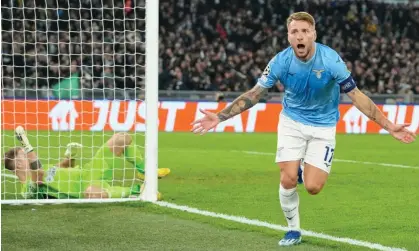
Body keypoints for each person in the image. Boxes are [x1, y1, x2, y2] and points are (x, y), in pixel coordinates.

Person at [191, 12, 416, 246]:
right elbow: (255, 94)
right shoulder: (280, 61)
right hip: (292, 122)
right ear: (288, 36)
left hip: (324, 126)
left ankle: (301, 170)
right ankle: (293, 230)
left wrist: (390, 126)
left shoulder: (331, 60)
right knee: (287, 179)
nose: (300, 36)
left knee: (313, 187)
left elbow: (357, 97)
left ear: (313, 35)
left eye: (305, 31)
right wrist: (220, 116)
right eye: (294, 32)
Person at [3, 126, 170, 200]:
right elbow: (38, 176)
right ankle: (138, 191)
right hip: (85, 189)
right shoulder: (26, 191)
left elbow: (62, 167)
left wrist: (69, 156)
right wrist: (26, 144)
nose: (27, 155)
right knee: (92, 193)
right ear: (17, 165)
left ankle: (146, 171)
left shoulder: (46, 169)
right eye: (23, 155)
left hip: (90, 171)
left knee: (121, 138)